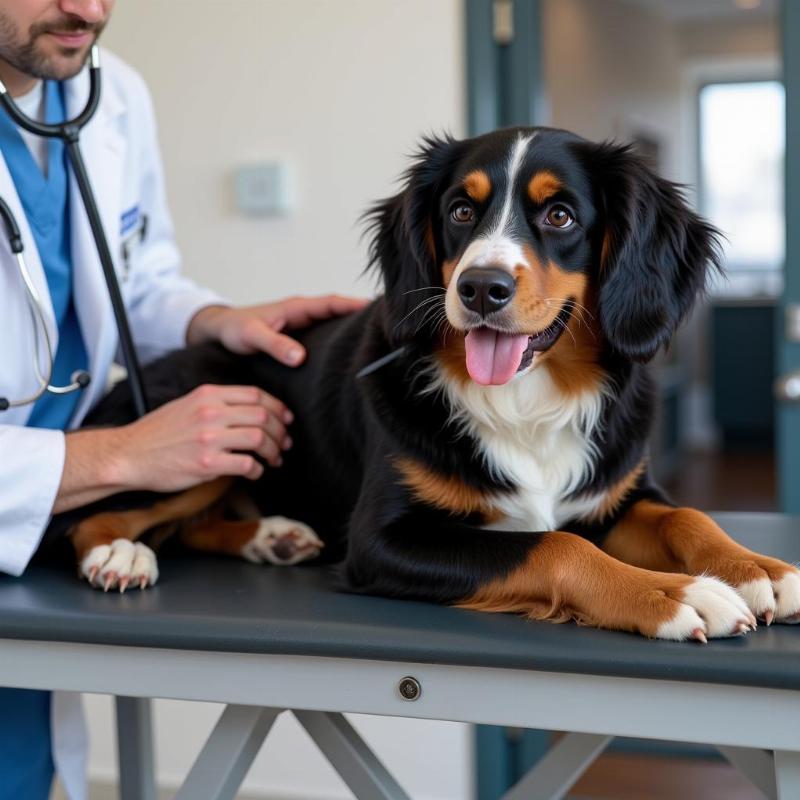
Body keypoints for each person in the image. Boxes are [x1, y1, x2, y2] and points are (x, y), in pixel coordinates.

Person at [0, 1, 366, 797]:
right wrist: (129, 452)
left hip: (36, 550)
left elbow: (135, 275)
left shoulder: (111, 93)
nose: (89, 10)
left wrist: (220, 322)